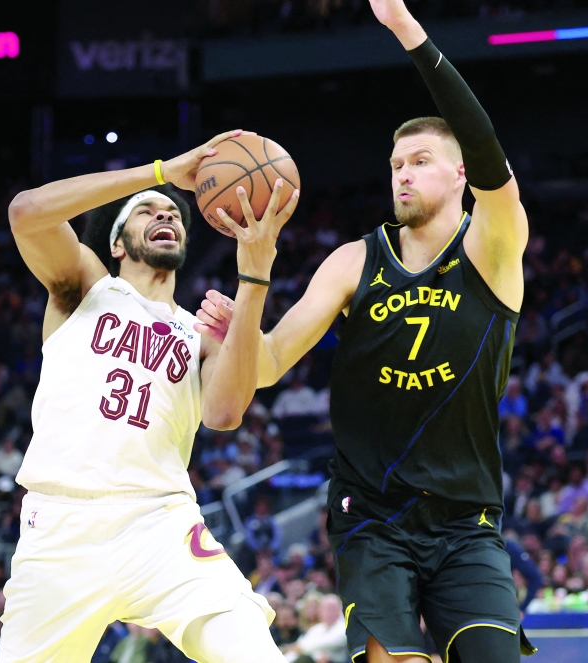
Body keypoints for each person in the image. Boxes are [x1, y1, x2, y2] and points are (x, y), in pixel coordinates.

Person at [195, 1, 538, 661]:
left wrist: (407, 30)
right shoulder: (355, 260)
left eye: (420, 160)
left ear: (461, 173)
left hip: (466, 521)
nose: (403, 173)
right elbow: (266, 363)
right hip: (371, 518)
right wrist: (236, 323)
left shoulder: (493, 247)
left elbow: (489, 147)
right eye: (395, 163)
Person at [0, 130, 300, 663]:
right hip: (61, 526)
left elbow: (225, 414)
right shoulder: (85, 287)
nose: (166, 215)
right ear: (116, 244)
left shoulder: (199, 333)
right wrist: (160, 173)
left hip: (160, 523)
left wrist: (254, 275)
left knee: (254, 652)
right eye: (147, 212)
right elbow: (26, 212)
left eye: (175, 215)